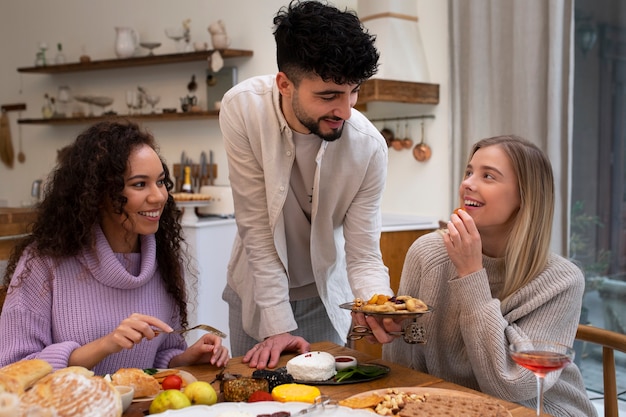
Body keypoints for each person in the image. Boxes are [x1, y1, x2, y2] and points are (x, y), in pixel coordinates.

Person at [219, 0, 393, 368]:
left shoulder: (369, 147)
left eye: (353, 91)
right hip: (256, 292)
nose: (345, 111)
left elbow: (363, 254)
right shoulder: (243, 109)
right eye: (328, 95)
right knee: (253, 400)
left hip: (322, 296)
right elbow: (256, 228)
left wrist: (379, 303)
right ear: (285, 84)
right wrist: (278, 324)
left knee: (325, 404)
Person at [368, 136, 596, 416]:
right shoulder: (427, 253)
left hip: (537, 409)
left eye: (488, 176)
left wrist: (471, 274)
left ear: (526, 196)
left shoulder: (562, 280)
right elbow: (405, 362)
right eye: (468, 172)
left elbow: (514, 385)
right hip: (450, 407)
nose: (468, 184)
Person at [0, 120, 229, 375]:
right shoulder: (43, 262)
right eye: (139, 184)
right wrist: (106, 345)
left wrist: (185, 358)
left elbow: (160, 355)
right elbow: (14, 368)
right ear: (98, 195)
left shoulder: (163, 259)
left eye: (161, 182)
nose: (159, 196)